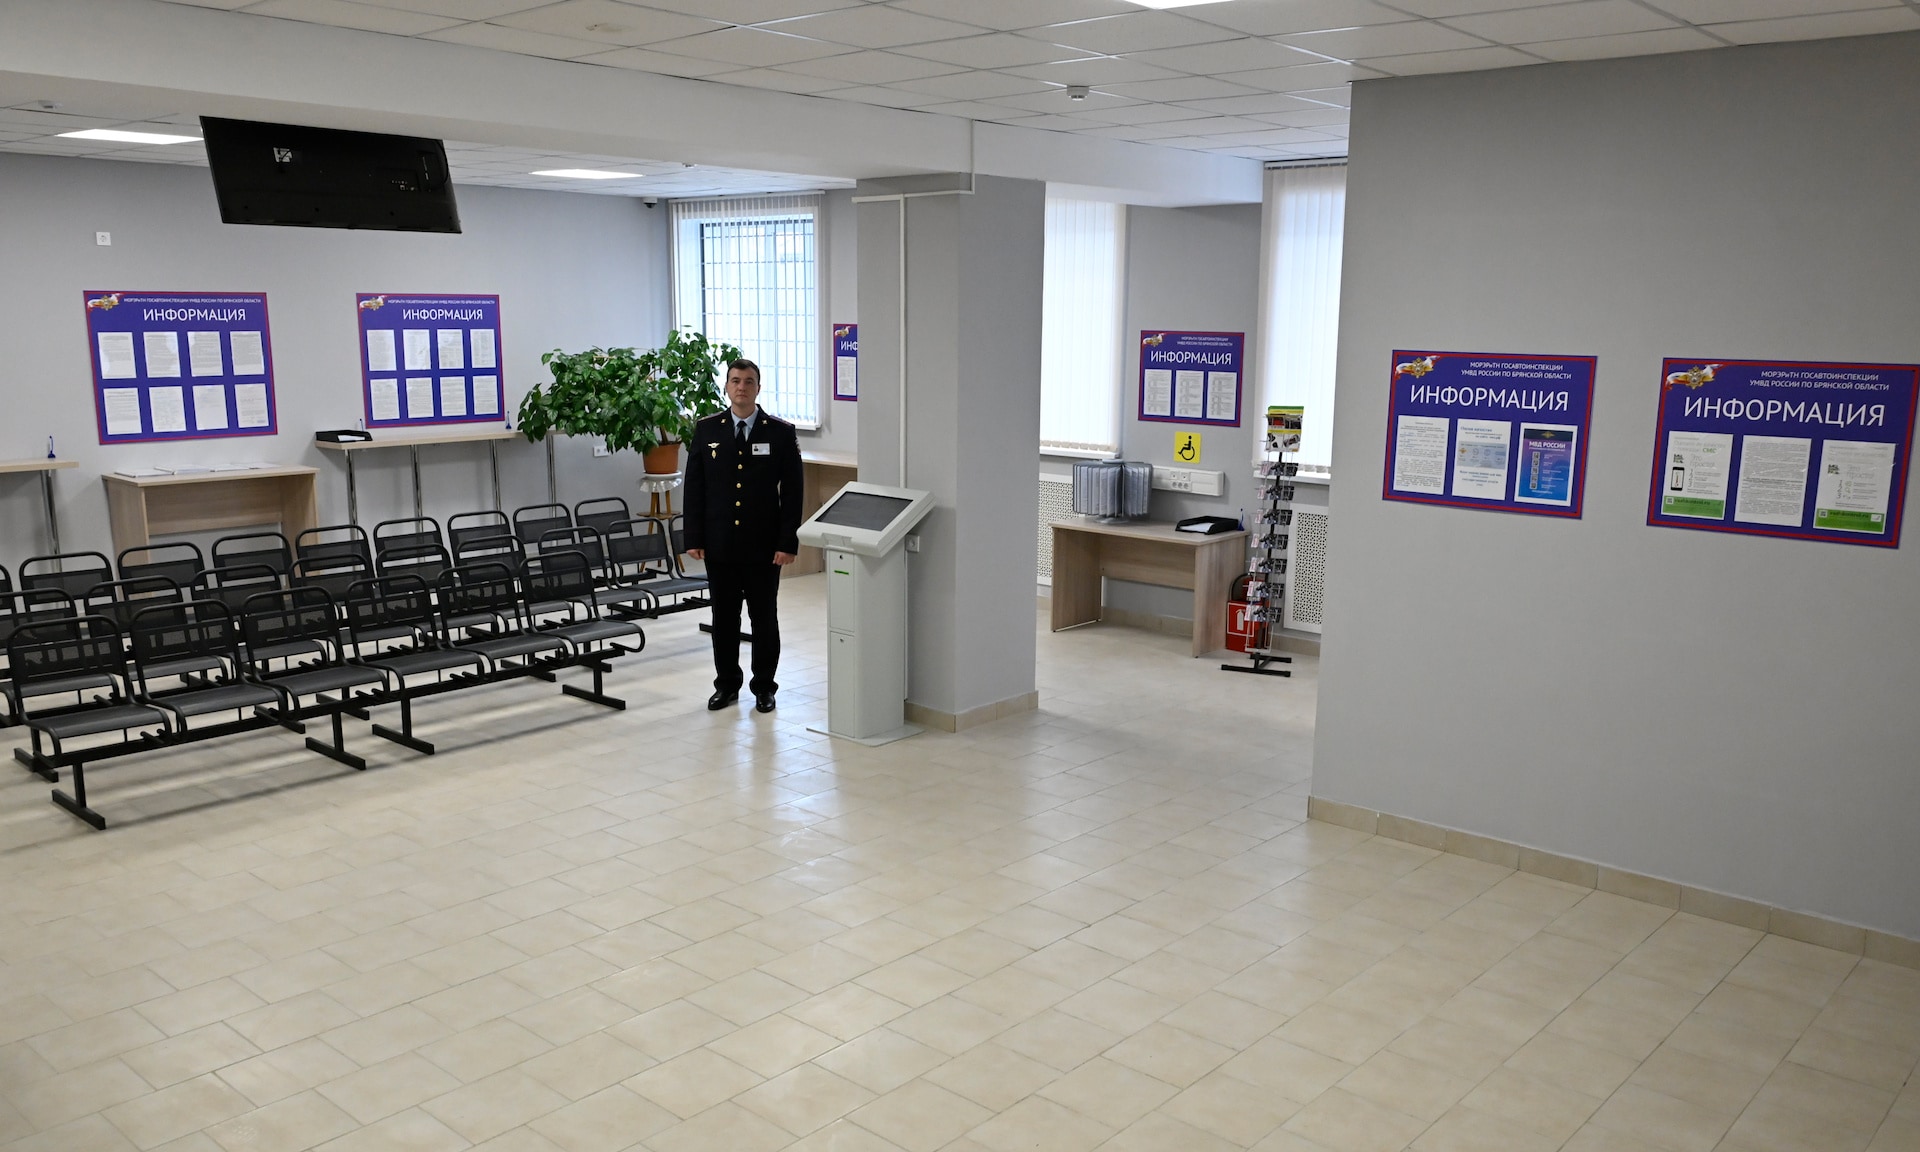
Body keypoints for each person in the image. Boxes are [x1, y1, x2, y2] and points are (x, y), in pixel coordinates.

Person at [683, 358, 803, 713]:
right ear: (726, 386)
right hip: (720, 544)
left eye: (749, 381)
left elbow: (793, 493)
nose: (741, 387)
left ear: (758, 388)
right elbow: (694, 488)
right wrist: (694, 537)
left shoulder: (780, 433)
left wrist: (787, 542)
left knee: (764, 619)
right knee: (724, 619)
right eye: (735, 381)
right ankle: (726, 685)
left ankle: (764, 687)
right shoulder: (707, 429)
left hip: (763, 547)